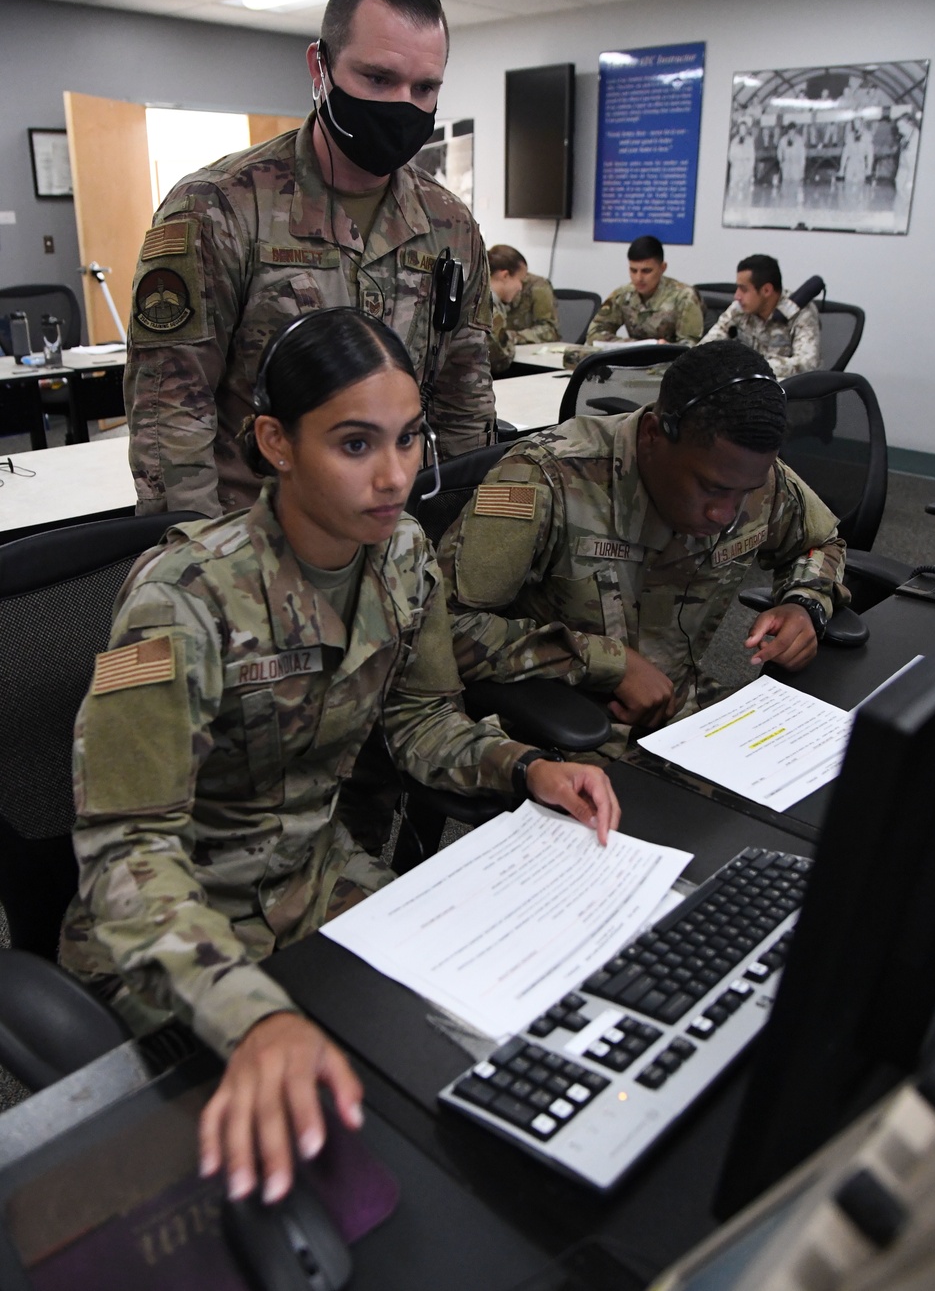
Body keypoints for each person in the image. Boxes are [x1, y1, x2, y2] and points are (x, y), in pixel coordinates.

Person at [62, 308, 619, 1205]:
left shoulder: (401, 557)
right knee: (286, 1176)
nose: (396, 476)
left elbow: (421, 720)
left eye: (408, 439)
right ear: (277, 442)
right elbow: (126, 848)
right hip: (179, 920)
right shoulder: (186, 598)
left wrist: (523, 767)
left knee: (467, 1064)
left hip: (316, 878)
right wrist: (251, 1017)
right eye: (355, 444)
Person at [125, 0, 496, 519]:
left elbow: (464, 400)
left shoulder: (450, 225)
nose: (402, 106)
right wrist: (201, 564)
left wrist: (464, 533)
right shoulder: (220, 207)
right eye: (377, 79)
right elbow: (170, 412)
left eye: (424, 88)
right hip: (254, 543)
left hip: (396, 540)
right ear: (319, 66)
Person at [436, 342, 846, 761]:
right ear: (653, 435)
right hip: (556, 731)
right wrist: (607, 662)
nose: (725, 513)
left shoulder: (749, 475)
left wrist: (805, 602)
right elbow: (441, 627)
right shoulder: (545, 479)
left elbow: (821, 541)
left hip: (679, 714)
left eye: (747, 492)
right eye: (711, 488)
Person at [701, 254, 820, 380]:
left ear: (766, 290)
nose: (737, 296)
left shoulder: (800, 312)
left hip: (786, 392)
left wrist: (752, 366)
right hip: (746, 387)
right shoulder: (739, 308)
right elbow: (707, 346)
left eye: (744, 289)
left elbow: (807, 363)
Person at [584, 236, 703, 346]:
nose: (638, 278)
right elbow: (594, 333)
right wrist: (633, 345)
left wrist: (663, 348)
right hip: (633, 361)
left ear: (662, 268)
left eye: (646, 271)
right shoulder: (623, 294)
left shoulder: (684, 296)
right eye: (633, 270)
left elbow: (691, 346)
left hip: (669, 363)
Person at [487, 245, 561, 346]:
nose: (520, 287)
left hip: (528, 350)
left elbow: (550, 330)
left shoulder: (537, 286)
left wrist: (512, 337)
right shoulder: (479, 291)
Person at [486, 258, 523, 376]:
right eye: (520, 280)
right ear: (505, 275)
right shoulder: (488, 306)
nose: (521, 287)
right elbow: (500, 360)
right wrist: (510, 343)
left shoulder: (477, 296)